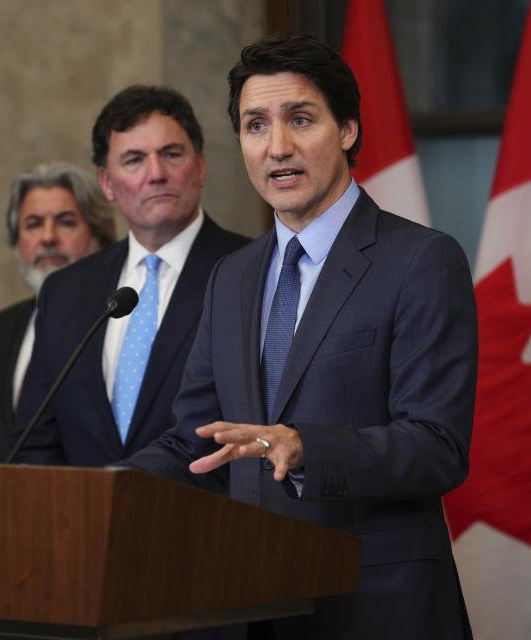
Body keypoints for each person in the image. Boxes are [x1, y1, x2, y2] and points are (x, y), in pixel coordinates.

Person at [125, 34, 478, 639]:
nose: (277, 147)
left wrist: (304, 445)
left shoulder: (421, 260)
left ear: (347, 129)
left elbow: (436, 445)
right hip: (250, 605)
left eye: (301, 119)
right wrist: (106, 488)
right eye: (255, 125)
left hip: (375, 605)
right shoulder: (230, 277)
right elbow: (196, 441)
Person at [11, 85, 250, 465]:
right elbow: (36, 444)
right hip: (82, 521)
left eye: (171, 154)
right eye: (134, 160)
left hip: (210, 519)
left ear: (201, 166)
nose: (156, 174)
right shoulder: (65, 292)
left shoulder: (251, 270)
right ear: (106, 182)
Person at [0, 162, 116, 463]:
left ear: (100, 236)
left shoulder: (118, 324)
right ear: (17, 243)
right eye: (34, 224)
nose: (48, 237)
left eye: (66, 222)